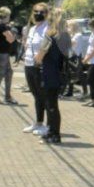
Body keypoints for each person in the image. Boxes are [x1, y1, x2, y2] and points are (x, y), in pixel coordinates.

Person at [35, 8, 67, 145]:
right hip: (60, 74)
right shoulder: (65, 35)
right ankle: (52, 132)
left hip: (49, 73)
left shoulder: (50, 35)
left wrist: (37, 58)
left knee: (51, 105)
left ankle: (54, 134)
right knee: (53, 105)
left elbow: (39, 57)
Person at [22, 3, 50, 135]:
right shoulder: (32, 29)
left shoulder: (47, 28)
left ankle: (47, 125)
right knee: (36, 95)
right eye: (36, 11)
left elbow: (46, 47)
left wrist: (39, 59)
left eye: (42, 12)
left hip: (39, 66)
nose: (38, 14)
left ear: (47, 14)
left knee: (42, 95)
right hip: (28, 64)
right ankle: (38, 122)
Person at [0, 7, 18, 105]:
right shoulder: (2, 25)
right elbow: (10, 39)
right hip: (1, 53)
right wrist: (13, 33)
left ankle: (7, 96)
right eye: (9, 16)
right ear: (6, 16)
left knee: (8, 73)